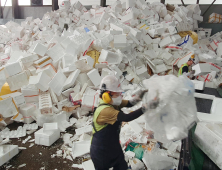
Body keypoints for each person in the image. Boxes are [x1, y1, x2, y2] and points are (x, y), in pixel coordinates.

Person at [90, 75, 154, 170]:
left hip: (113, 147)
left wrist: (141, 96)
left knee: (122, 167)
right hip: (101, 151)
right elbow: (127, 117)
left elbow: (129, 103)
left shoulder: (113, 102)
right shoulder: (104, 110)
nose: (120, 96)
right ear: (107, 95)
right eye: (117, 94)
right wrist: (145, 107)